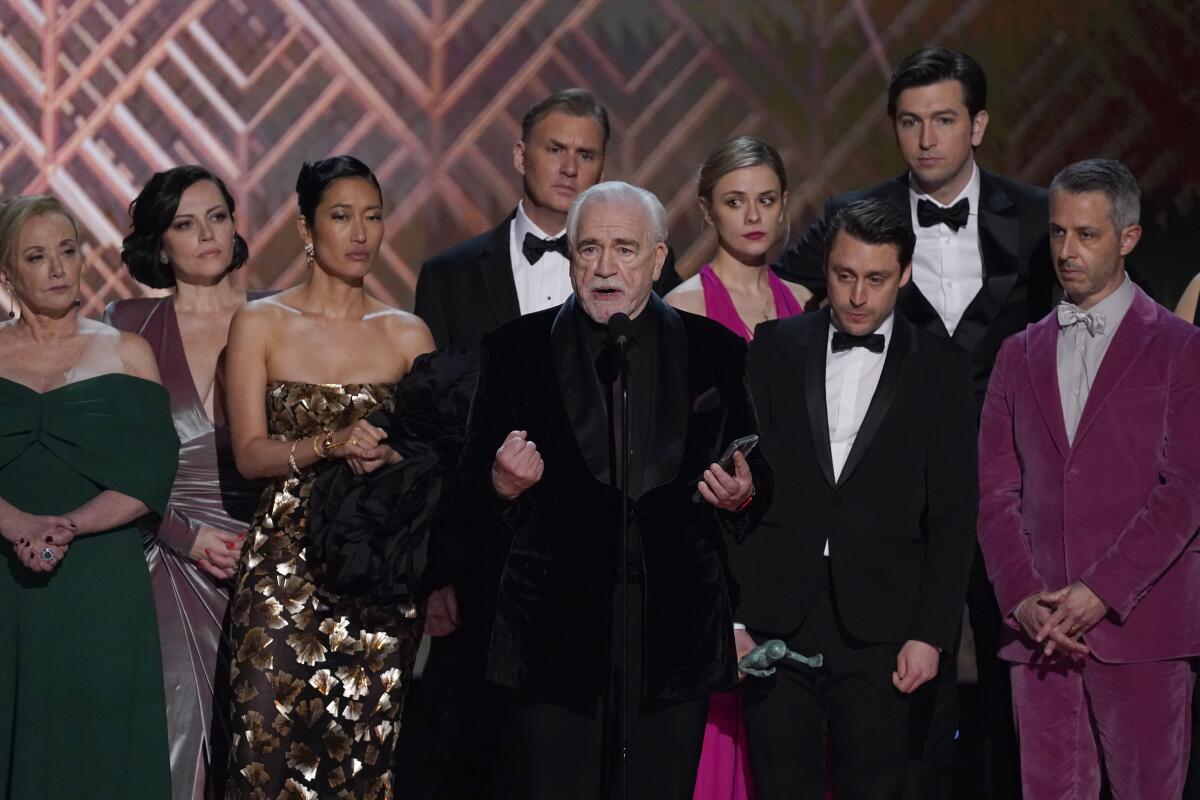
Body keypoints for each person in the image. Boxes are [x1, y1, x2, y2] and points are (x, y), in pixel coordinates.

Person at [774, 46, 1052, 796]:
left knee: (1015, 682)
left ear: (978, 124)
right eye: (909, 122)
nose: (926, 139)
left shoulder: (1035, 217)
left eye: (943, 120)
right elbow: (767, 295)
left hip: (1012, 492)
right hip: (895, 510)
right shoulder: (854, 219)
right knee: (907, 697)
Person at [458, 180, 771, 800]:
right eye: (589, 249)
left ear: (658, 259)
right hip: (554, 638)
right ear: (571, 257)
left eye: (625, 249)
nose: (605, 268)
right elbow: (466, 492)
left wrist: (742, 497)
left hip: (673, 634)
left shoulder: (716, 351)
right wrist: (499, 485)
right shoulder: (514, 350)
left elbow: (759, 479)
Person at [408, 88, 679, 798]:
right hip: (483, 565)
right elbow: (432, 437)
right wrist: (434, 570)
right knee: (474, 759)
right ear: (520, 155)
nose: (569, 166)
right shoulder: (449, 276)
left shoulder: (653, 276)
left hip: (601, 574)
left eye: (586, 153)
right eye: (555, 149)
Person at [738, 198, 977, 799]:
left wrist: (932, 634)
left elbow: (953, 516)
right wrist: (735, 614)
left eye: (875, 280)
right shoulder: (774, 346)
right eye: (844, 276)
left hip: (885, 626)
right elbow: (740, 487)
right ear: (827, 268)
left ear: (904, 275)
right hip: (778, 614)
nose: (857, 296)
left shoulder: (941, 368)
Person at [977, 158, 1200, 799]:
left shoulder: (1181, 349)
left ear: (1127, 238)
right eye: (1057, 233)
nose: (1066, 251)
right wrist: (1024, 599)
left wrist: (1098, 592)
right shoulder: (1018, 354)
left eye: (1086, 235)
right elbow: (995, 495)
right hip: (1041, 635)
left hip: (1143, 629)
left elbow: (1185, 491)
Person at [223, 155, 436, 798]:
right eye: (342, 217)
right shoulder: (260, 322)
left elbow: (435, 461)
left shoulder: (407, 334)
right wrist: (328, 443)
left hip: (376, 569)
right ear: (306, 229)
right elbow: (250, 454)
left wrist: (392, 457)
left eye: (372, 217)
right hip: (282, 571)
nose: (360, 233)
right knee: (263, 748)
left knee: (364, 761)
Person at [0, 195, 180, 799]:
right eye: (36, 255)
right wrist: (17, 524)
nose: (56, 267)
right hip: (5, 575)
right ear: (8, 274)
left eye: (68, 251)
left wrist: (68, 525)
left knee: (100, 747)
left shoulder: (128, 353)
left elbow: (152, 472)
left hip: (102, 581)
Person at [107, 165, 268, 800]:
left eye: (218, 217)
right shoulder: (126, 324)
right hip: (160, 561)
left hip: (269, 562)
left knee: (261, 756)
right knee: (174, 755)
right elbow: (106, 460)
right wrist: (181, 535)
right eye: (184, 223)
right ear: (160, 242)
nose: (206, 234)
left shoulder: (282, 318)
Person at [665, 135, 806, 800]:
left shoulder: (810, 305)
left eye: (766, 199)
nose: (753, 215)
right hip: (716, 565)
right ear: (706, 211)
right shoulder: (680, 311)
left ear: (784, 210)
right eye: (734, 201)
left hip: (797, 563)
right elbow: (669, 468)